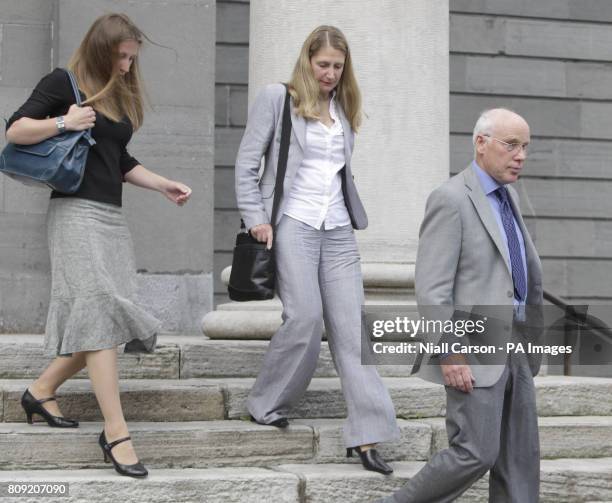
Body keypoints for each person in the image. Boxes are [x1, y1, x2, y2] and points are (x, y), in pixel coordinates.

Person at [5, 13, 192, 479]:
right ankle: (115, 430)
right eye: (121, 56)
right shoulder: (63, 83)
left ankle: (41, 391)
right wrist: (64, 122)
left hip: (110, 218)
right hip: (74, 213)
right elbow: (14, 131)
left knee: (100, 315)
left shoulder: (117, 92)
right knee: (100, 310)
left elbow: (120, 159)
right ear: (100, 49)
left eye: (132, 58)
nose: (128, 66)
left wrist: (163, 184)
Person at [235, 25, 400, 474]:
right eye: (323, 64)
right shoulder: (277, 98)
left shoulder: (344, 106)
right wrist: (256, 220)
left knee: (351, 329)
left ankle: (367, 435)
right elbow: (248, 164)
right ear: (307, 61)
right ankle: (267, 401)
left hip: (339, 229)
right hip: (293, 224)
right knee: (306, 318)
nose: (329, 73)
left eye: (337, 66)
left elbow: (338, 172)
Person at [379, 108, 544, 502]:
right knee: (474, 452)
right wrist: (450, 350)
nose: (520, 155)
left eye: (525, 147)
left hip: (517, 341)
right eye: (511, 145)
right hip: (473, 345)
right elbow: (433, 288)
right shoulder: (450, 199)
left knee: (519, 459)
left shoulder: (509, 198)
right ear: (481, 143)